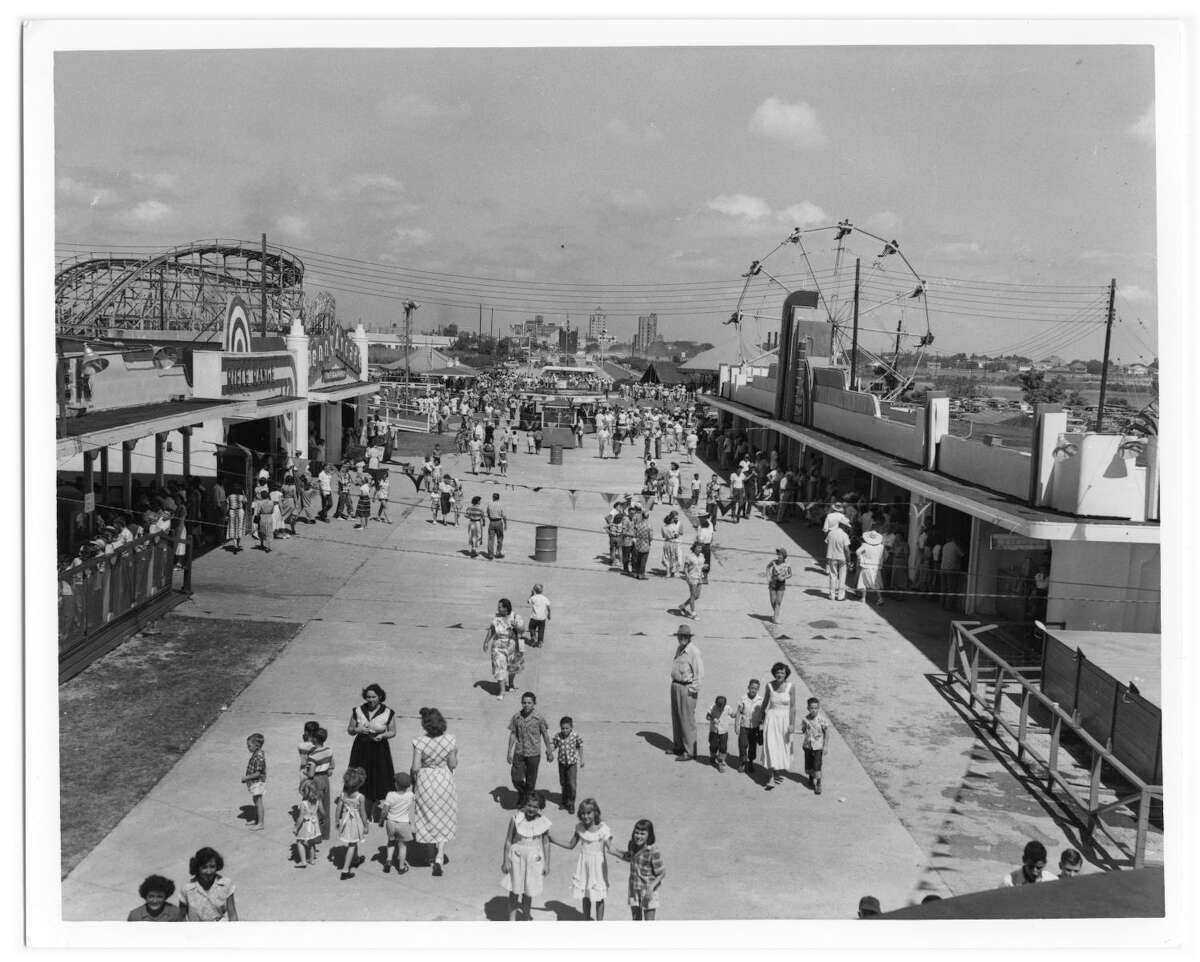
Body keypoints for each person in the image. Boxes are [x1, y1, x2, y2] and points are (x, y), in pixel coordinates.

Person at [411, 706, 458, 877]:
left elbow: (416, 767)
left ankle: (430, 854)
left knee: (427, 816)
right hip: (444, 781)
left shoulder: (419, 742)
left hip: (426, 781)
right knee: (444, 816)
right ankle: (439, 855)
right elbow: (453, 764)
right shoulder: (450, 740)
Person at [549, 797, 611, 920]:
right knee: (586, 895)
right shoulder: (580, 828)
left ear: (595, 813)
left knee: (599, 896)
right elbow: (571, 845)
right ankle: (586, 920)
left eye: (589, 813)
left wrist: (624, 854)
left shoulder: (603, 829)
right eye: (582, 813)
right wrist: (552, 839)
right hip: (584, 865)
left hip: (598, 866)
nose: (585, 816)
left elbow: (611, 848)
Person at [346, 683, 396, 819]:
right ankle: (358, 805)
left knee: (379, 776)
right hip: (361, 748)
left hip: (379, 748)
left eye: (373, 697)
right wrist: (358, 730)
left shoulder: (388, 712)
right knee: (359, 775)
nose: (370, 700)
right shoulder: (357, 710)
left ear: (380, 697)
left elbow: (392, 732)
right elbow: (350, 730)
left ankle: (374, 804)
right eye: (368, 697)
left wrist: (383, 735)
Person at [501, 794, 553, 921]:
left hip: (533, 860)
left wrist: (547, 864)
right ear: (524, 804)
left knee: (528, 892)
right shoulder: (516, 819)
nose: (531, 809)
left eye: (535, 807)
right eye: (529, 805)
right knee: (514, 890)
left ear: (540, 808)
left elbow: (546, 843)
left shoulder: (543, 822)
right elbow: (508, 841)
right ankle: (511, 920)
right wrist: (505, 860)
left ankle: (525, 917)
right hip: (517, 859)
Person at [609, 818, 665, 920]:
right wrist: (614, 851)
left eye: (642, 834)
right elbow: (630, 857)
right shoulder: (632, 844)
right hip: (634, 888)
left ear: (649, 835)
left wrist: (651, 887)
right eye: (637, 833)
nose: (638, 836)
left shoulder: (653, 851)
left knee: (649, 921)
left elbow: (661, 873)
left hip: (648, 890)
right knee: (636, 919)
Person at [508, 691, 555, 807]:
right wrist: (509, 751)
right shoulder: (516, 717)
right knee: (516, 778)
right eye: (524, 702)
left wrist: (549, 751)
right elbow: (513, 734)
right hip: (519, 752)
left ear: (534, 704)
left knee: (531, 781)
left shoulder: (539, 718)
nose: (526, 705)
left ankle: (526, 802)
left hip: (534, 754)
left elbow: (545, 734)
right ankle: (524, 793)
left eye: (529, 702)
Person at [668, 624, 703, 760]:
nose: (682, 638)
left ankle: (690, 751)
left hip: (687, 688)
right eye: (680, 636)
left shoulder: (694, 652)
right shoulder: (679, 649)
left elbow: (699, 674)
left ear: (689, 638)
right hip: (676, 686)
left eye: (685, 636)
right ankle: (679, 746)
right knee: (676, 717)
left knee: (687, 719)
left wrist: (692, 690)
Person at [761, 662, 796, 788]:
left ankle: (776, 772)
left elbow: (792, 707)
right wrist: (761, 718)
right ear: (774, 673)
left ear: (786, 673)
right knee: (770, 746)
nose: (779, 674)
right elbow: (764, 703)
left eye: (782, 672)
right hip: (771, 720)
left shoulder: (791, 687)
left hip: (785, 721)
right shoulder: (769, 686)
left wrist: (792, 724)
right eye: (777, 672)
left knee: (781, 747)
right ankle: (770, 777)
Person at [179, 847, 238, 921]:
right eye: (204, 867)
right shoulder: (187, 889)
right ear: (197, 868)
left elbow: (232, 915)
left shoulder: (226, 884)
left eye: (212, 867)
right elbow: (181, 918)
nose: (209, 872)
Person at [484, 598, 525, 697]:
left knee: (513, 666)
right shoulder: (496, 617)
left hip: (514, 644)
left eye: (500, 607)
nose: (498, 608)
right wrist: (486, 642)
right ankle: (501, 690)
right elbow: (492, 630)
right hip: (498, 645)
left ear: (506, 608)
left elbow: (523, 630)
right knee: (499, 667)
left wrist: (516, 627)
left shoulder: (515, 617)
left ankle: (511, 684)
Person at [334, 766, 369, 879]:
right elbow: (363, 813)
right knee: (352, 844)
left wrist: (337, 821)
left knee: (353, 840)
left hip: (345, 820)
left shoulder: (343, 794)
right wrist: (366, 825)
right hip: (354, 822)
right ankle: (345, 870)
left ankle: (355, 859)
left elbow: (338, 809)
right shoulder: (360, 797)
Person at [378, 772, 415, 875]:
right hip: (403, 824)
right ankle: (401, 867)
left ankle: (389, 860)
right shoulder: (410, 795)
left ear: (396, 784)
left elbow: (384, 811)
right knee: (402, 846)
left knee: (391, 842)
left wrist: (381, 821)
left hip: (391, 823)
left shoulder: (390, 795)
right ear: (408, 786)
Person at [306, 728, 334, 841]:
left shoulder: (312, 756)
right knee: (326, 805)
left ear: (315, 739)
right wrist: (328, 769)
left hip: (316, 779)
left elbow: (311, 773)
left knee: (315, 806)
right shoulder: (329, 750)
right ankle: (325, 833)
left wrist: (306, 773)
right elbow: (332, 765)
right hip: (325, 779)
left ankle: (316, 835)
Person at [799, 696, 831, 795]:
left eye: (816, 708)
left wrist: (825, 746)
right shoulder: (805, 719)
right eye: (811, 708)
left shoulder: (822, 719)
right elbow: (803, 730)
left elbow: (827, 732)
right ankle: (811, 778)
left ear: (819, 708)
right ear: (808, 708)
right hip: (808, 745)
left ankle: (818, 783)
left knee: (817, 764)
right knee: (809, 763)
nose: (814, 710)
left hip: (818, 746)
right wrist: (795, 730)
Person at [552, 715, 584, 813]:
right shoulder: (558, 736)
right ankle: (565, 799)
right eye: (563, 728)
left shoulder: (575, 735)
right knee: (563, 782)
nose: (565, 730)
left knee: (572, 784)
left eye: (567, 728)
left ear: (571, 727)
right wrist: (550, 751)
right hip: (562, 763)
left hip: (572, 764)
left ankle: (571, 803)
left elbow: (580, 746)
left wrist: (582, 759)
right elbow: (554, 744)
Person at [734, 678, 765, 775]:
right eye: (752, 688)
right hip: (744, 726)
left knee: (753, 746)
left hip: (755, 728)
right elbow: (738, 713)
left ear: (758, 689)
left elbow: (763, 713)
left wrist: (762, 726)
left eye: (756, 688)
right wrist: (736, 726)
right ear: (748, 687)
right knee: (743, 745)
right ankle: (743, 762)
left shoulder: (760, 700)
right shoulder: (743, 699)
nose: (753, 690)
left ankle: (751, 761)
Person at [293, 778, 324, 866]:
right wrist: (321, 818)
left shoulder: (303, 804)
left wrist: (296, 828)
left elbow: (300, 818)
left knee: (300, 842)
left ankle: (303, 861)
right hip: (314, 825)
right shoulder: (318, 801)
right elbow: (322, 812)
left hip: (305, 825)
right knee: (312, 843)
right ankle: (312, 860)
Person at [241, 732, 266, 829]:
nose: (248, 747)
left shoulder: (259, 756)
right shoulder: (257, 753)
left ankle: (260, 823)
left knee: (258, 801)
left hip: (258, 782)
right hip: (254, 782)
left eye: (249, 746)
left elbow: (258, 773)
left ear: (257, 745)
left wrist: (246, 778)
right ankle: (257, 819)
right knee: (255, 800)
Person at [856, 529, 886, 606]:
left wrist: (860, 558)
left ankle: (863, 598)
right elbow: (886, 555)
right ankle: (880, 598)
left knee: (863, 582)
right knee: (877, 583)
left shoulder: (865, 545)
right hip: (876, 566)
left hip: (866, 565)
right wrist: (882, 560)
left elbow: (857, 552)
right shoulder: (881, 547)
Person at [706, 695, 734, 771]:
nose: (720, 708)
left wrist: (739, 712)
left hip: (724, 731)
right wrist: (712, 718)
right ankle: (713, 756)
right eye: (719, 706)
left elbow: (733, 715)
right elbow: (707, 716)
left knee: (723, 747)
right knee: (713, 745)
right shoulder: (712, 707)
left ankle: (721, 763)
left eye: (722, 706)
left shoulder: (728, 708)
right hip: (714, 731)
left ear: (725, 704)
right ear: (716, 703)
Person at [826, 521, 852, 601]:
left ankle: (832, 595)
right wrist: (849, 561)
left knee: (833, 576)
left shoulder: (830, 533)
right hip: (842, 557)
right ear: (844, 527)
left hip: (832, 556)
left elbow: (827, 543)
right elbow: (847, 550)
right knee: (842, 577)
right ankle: (840, 596)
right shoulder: (845, 535)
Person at [765, 548, 792, 623]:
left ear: (784, 556)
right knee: (773, 601)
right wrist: (768, 577)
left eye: (780, 554)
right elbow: (767, 567)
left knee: (778, 602)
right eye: (778, 554)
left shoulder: (787, 565)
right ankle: (775, 615)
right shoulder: (774, 562)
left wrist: (784, 577)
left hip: (781, 585)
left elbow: (790, 574)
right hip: (773, 584)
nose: (779, 556)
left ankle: (776, 618)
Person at [940, 533, 966, 611]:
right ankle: (948, 606)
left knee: (943, 588)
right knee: (951, 589)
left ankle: (942, 604)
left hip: (943, 568)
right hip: (951, 569)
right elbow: (962, 555)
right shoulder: (955, 546)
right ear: (954, 539)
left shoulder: (945, 546)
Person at [679, 542, 705, 619]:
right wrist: (688, 578)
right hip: (692, 577)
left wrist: (704, 566)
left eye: (701, 548)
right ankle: (693, 613)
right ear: (694, 548)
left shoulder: (701, 556)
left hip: (699, 577)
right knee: (693, 595)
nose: (700, 549)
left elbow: (700, 566)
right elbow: (685, 569)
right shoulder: (689, 556)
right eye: (698, 547)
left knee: (697, 596)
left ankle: (683, 606)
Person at [631, 506, 653, 580]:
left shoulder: (638, 525)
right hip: (645, 543)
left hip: (638, 543)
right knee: (643, 560)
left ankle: (636, 572)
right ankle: (641, 574)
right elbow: (651, 537)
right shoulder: (649, 526)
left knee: (638, 559)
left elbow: (635, 533)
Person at [486, 492, 508, 559]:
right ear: (499, 498)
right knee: (500, 538)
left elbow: (487, 513)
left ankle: (490, 554)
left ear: (493, 497)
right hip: (499, 522)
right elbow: (504, 516)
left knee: (490, 539)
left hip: (491, 522)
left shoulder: (489, 504)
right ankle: (498, 552)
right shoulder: (501, 505)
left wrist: (490, 519)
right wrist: (505, 524)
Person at [660, 511, 682, 578]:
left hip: (666, 542)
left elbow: (663, 536)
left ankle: (668, 572)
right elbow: (676, 535)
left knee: (667, 557)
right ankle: (676, 572)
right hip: (673, 542)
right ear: (672, 519)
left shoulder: (663, 527)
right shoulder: (674, 526)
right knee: (675, 556)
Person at [225, 484, 246, 552]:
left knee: (232, 527)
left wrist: (226, 514)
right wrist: (244, 493)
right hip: (240, 511)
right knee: (240, 527)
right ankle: (237, 544)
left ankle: (235, 545)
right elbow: (246, 501)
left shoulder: (229, 496)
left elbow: (227, 507)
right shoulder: (241, 496)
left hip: (232, 512)